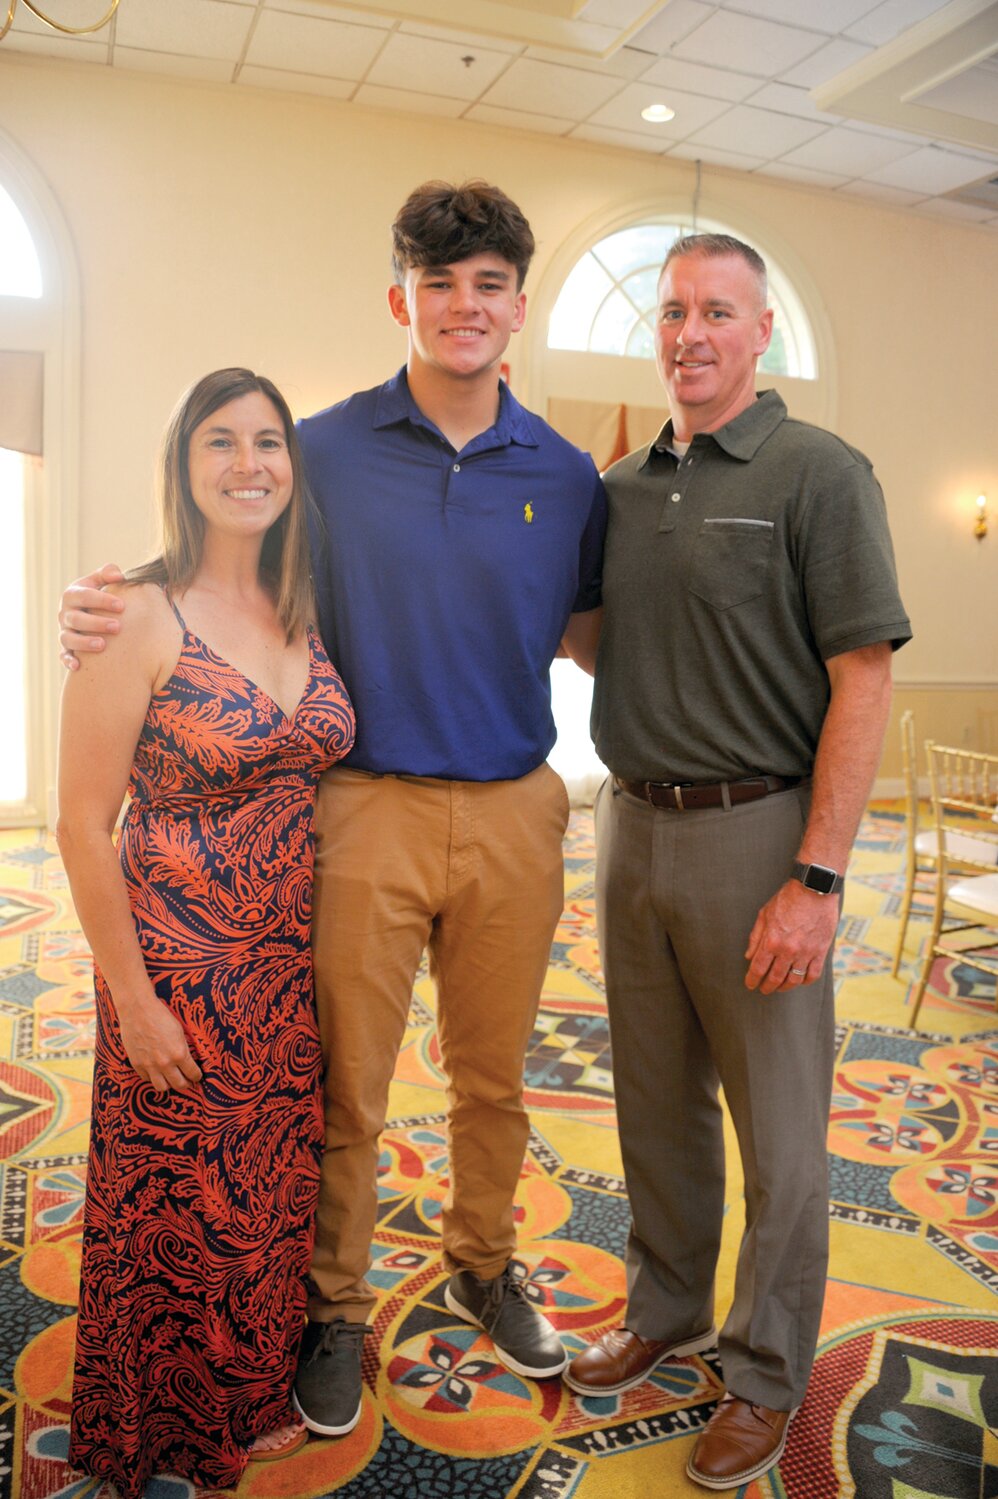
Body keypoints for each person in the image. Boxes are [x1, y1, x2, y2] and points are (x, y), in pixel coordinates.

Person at [58, 182, 607, 1441]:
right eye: (437, 281)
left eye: (487, 285)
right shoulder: (326, 449)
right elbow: (220, 551)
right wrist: (101, 605)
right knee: (346, 1088)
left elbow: (590, 630)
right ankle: (335, 1304)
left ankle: (484, 1257)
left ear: (518, 307)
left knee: (494, 1079)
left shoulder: (568, 474)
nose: (461, 307)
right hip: (359, 809)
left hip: (519, 809)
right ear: (398, 295)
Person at [562, 234, 910, 1491]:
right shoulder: (618, 483)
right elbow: (609, 643)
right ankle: (666, 1308)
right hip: (628, 831)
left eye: (717, 311)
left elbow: (860, 675)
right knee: (653, 1104)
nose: (688, 332)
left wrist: (816, 876)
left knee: (781, 1132)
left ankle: (763, 1372)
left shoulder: (819, 472)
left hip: (758, 835)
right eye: (670, 311)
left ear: (762, 331)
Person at [57, 368, 355, 1495]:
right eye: (220, 442)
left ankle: (241, 1400)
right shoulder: (134, 610)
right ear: (183, 467)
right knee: (168, 1204)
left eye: (268, 441)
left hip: (284, 967)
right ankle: (149, 1440)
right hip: (172, 965)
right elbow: (84, 827)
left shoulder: (308, 603)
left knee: (263, 1196)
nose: (248, 463)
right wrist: (133, 999)